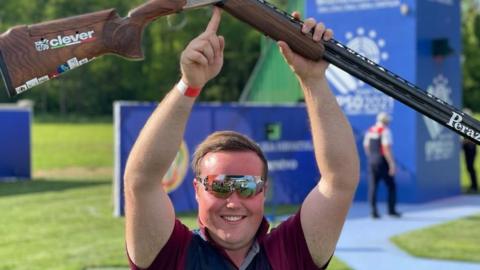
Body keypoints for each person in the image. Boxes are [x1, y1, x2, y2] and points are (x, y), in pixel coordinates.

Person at [124, 7, 359, 270]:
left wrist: (314, 79)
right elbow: (141, 181)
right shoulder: (171, 253)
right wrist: (189, 84)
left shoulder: (291, 251)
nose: (234, 201)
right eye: (219, 185)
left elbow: (340, 179)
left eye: (247, 186)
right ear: (197, 190)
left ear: (263, 191)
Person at [363, 112, 401, 219]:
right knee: (391, 186)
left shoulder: (370, 131)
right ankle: (391, 210)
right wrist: (391, 164)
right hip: (382, 162)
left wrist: (372, 158)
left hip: (372, 161)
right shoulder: (386, 131)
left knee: (373, 187)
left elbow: (366, 147)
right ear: (386, 121)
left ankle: (373, 212)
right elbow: (386, 149)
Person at [462, 108, 478, 193]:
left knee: (470, 167)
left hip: (471, 148)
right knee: (468, 167)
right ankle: (473, 185)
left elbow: (473, 137)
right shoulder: (465, 124)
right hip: (467, 147)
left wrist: (464, 141)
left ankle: (474, 186)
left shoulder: (472, 124)